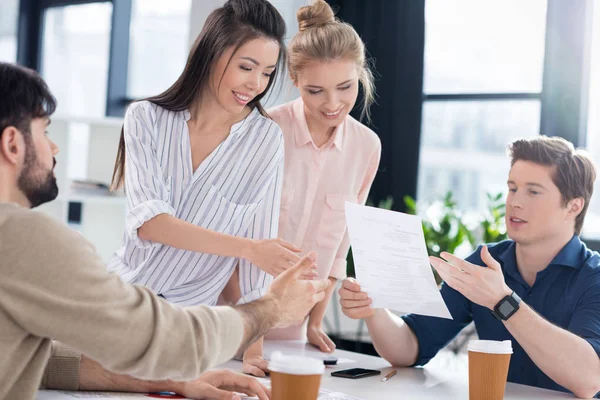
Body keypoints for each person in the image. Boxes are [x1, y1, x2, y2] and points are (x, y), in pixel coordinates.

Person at [0, 61, 329, 400]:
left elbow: (43, 360)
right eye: (45, 131)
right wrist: (272, 307)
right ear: (13, 143)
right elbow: (163, 339)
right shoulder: (24, 238)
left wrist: (165, 381)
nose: (54, 148)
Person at [339, 136, 600, 398]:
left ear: (573, 206)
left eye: (533, 191)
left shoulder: (594, 277)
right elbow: (410, 347)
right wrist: (373, 308)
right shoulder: (485, 263)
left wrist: (502, 301)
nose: (515, 202)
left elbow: (589, 379)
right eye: (512, 188)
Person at [107, 0, 310, 310]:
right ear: (212, 53)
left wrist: (254, 348)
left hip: (189, 319)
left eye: (267, 73)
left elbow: (261, 250)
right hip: (120, 297)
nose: (255, 84)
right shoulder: (145, 118)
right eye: (246, 67)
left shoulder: (265, 140)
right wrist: (249, 249)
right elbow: (151, 224)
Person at [223, 0, 381, 376]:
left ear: (359, 73)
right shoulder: (261, 133)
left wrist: (315, 321)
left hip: (295, 334)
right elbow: (232, 243)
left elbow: (338, 244)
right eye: (315, 91)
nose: (333, 104)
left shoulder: (366, 147)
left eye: (345, 86)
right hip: (230, 325)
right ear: (293, 81)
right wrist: (252, 336)